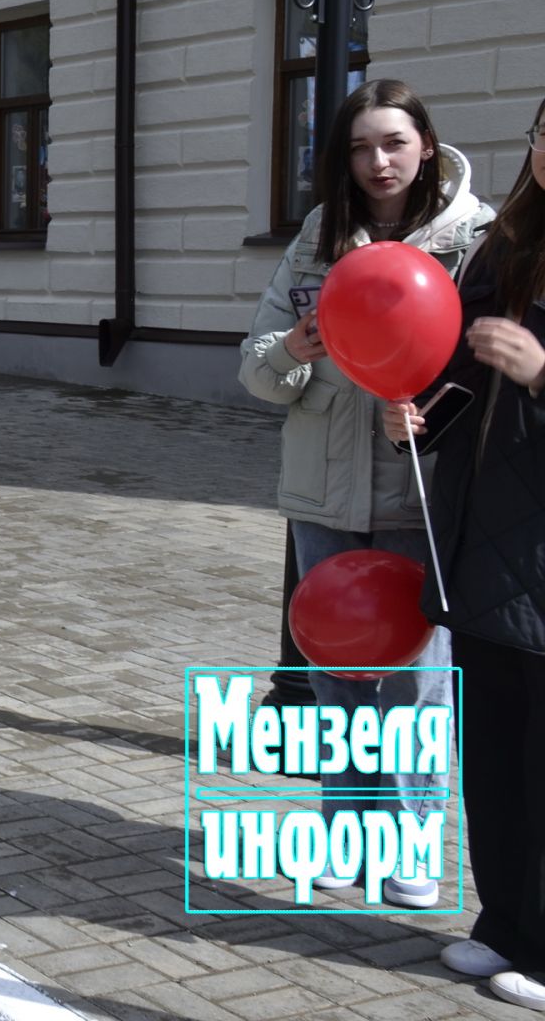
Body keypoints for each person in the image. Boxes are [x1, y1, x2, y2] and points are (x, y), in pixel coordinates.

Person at [239, 79, 490, 906]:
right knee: (338, 669)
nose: (378, 161)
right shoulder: (320, 235)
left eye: (394, 142)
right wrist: (296, 347)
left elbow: (490, 378)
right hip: (322, 492)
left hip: (423, 498)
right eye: (359, 146)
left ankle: (415, 842)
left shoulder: (474, 241)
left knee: (419, 676)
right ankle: (349, 834)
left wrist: (430, 412)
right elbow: (256, 370)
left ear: (425, 145)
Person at [385, 96, 545, 1007]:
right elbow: (461, 370)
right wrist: (421, 416)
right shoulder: (505, 242)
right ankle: (506, 925)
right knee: (491, 754)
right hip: (481, 543)